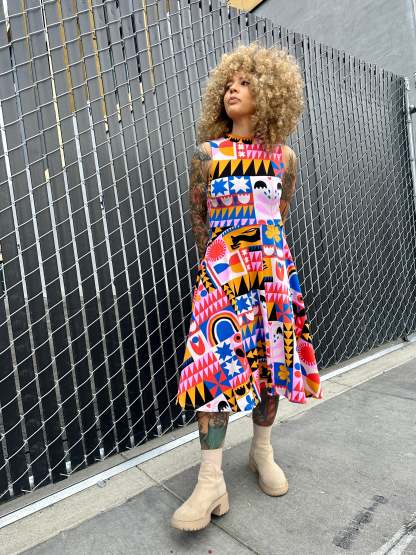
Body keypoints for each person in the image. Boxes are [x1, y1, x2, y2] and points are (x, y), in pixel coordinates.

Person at [171, 41, 323, 532]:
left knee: (272, 364)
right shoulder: (207, 156)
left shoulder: (285, 159)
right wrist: (224, 266)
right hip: (224, 280)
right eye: (229, 83)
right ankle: (210, 480)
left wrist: (262, 259)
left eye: (245, 82)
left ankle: (262, 451)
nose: (232, 90)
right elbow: (201, 224)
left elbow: (279, 217)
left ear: (270, 93)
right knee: (213, 370)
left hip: (273, 279)